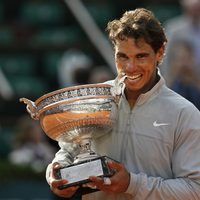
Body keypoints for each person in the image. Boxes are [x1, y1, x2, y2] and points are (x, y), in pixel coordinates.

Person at [46, 8, 200, 200]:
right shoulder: (96, 98)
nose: (130, 67)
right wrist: (57, 170)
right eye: (123, 56)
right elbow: (69, 150)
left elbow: (194, 189)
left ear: (160, 53)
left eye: (141, 56)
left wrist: (131, 184)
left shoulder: (184, 114)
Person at [161, 0, 200, 85]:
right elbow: (165, 54)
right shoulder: (174, 27)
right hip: (178, 78)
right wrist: (166, 80)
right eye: (192, 9)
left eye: (197, 9)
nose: (195, 12)